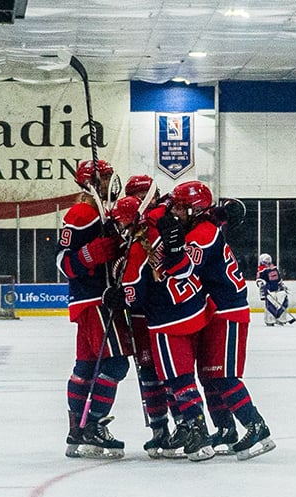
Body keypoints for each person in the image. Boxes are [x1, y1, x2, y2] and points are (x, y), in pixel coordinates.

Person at [162, 180, 276, 460]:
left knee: (225, 375)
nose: (174, 212)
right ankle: (225, 429)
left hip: (228, 311)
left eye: (180, 207)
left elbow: (183, 268)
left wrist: (172, 248)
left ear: (196, 209)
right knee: (209, 375)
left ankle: (256, 426)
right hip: (214, 311)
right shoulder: (201, 226)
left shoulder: (202, 233)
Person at [114, 193, 216, 461]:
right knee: (182, 377)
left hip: (167, 320)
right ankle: (188, 427)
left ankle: (198, 432)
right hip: (195, 310)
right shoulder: (161, 229)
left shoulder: (138, 249)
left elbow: (134, 294)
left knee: (178, 379)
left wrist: (116, 295)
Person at [56, 159, 132, 459]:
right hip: (95, 301)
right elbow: (63, 261)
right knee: (115, 365)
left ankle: (76, 430)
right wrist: (91, 254)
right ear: (91, 182)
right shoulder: (82, 212)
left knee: (86, 367)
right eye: (106, 177)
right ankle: (95, 425)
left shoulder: (103, 211)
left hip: (96, 299)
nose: (111, 181)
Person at [256, 253, 296, 326]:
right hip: (269, 291)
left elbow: (278, 279)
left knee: (283, 301)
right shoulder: (261, 271)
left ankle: (281, 318)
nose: (268, 262)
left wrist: (281, 286)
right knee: (271, 305)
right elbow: (260, 281)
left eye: (268, 260)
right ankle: (270, 319)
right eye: (266, 260)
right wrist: (263, 289)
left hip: (278, 290)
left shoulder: (274, 269)